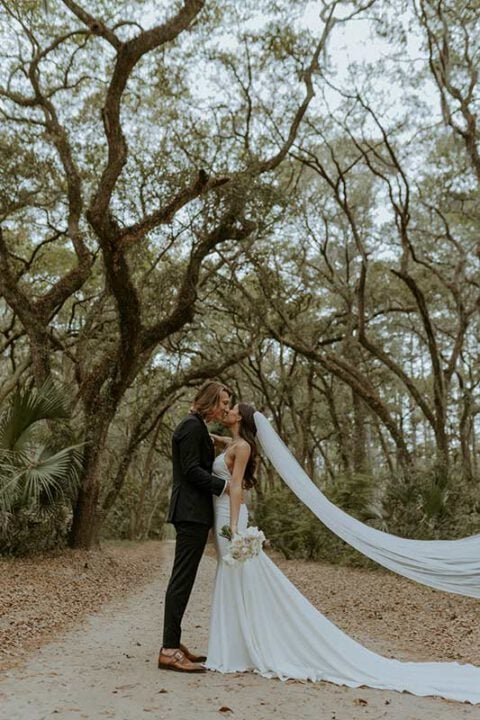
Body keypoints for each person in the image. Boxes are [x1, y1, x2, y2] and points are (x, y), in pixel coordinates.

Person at [205, 403, 480, 704]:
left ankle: (239, 649)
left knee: (239, 576)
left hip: (230, 517)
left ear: (241, 418)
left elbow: (235, 487)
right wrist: (203, 426)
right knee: (238, 578)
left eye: (231, 408)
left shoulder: (242, 447)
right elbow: (219, 442)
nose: (227, 410)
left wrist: (233, 527)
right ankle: (239, 644)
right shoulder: (234, 442)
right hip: (224, 515)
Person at [158, 380, 231, 673]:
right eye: (223, 403)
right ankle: (168, 650)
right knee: (182, 580)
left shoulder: (196, 426)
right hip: (190, 513)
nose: (226, 408)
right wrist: (224, 486)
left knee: (183, 579)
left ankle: (173, 642)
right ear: (211, 401)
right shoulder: (191, 426)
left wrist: (219, 441)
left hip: (194, 513)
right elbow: (191, 470)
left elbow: (199, 449)